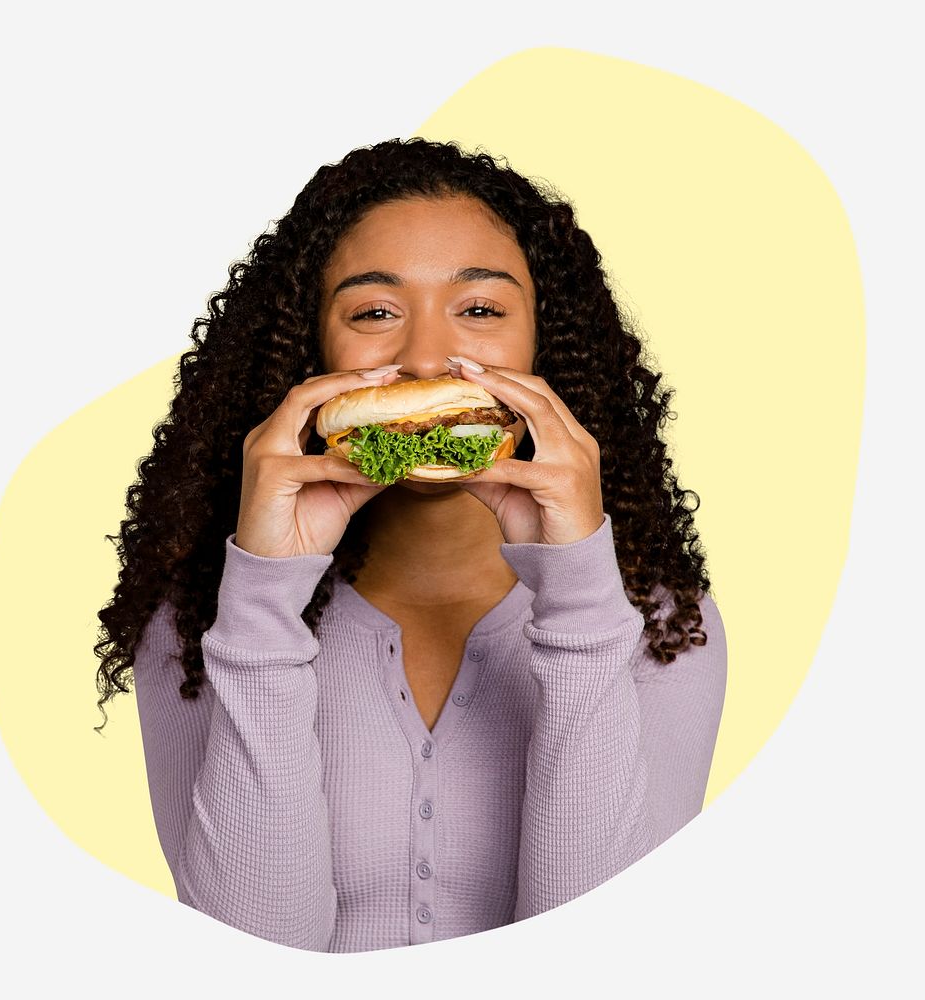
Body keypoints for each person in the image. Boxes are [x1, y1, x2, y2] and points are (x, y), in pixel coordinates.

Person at [93, 137, 727, 953]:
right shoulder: (199, 622)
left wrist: (577, 592)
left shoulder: (657, 617)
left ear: (548, 345)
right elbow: (247, 954)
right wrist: (264, 597)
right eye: (375, 313)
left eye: (481, 310)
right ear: (311, 350)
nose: (427, 358)